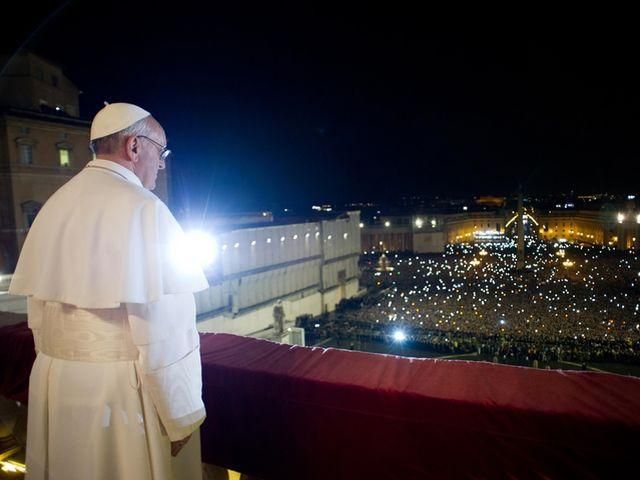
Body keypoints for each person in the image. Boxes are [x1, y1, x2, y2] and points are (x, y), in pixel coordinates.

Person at [9, 102, 210, 479]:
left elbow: (38, 316)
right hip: (122, 395)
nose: (162, 163)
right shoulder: (145, 209)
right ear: (134, 147)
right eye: (160, 151)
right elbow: (167, 331)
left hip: (56, 383)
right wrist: (179, 413)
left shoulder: (54, 204)